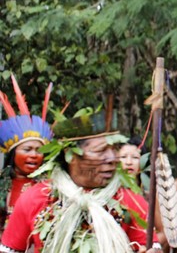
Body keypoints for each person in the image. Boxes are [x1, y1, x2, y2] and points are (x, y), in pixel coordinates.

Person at [0, 106, 155, 252]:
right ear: (71, 155)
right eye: (100, 151)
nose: (112, 158)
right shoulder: (36, 198)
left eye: (114, 150)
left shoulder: (129, 201)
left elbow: (151, 246)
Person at [0, 76, 52, 234]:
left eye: (39, 150)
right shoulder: (2, 184)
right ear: (13, 153)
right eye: (27, 149)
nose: (34, 155)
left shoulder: (51, 187)